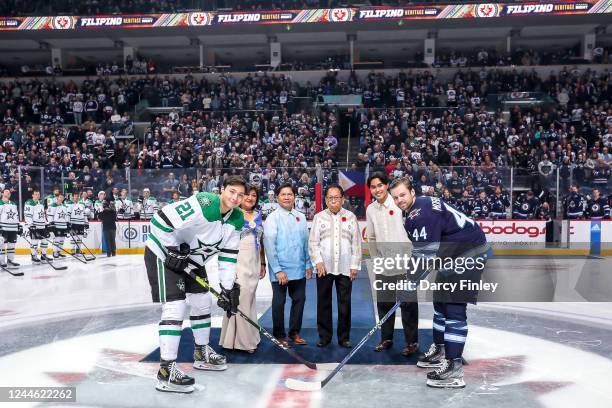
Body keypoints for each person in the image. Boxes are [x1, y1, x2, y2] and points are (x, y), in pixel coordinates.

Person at [144, 176, 246, 393]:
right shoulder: (204, 203)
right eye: (231, 192)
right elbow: (160, 220)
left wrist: (227, 288)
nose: (235, 198)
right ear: (222, 190)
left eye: (240, 194)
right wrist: (171, 249)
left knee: (202, 302)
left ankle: (201, 352)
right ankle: (166, 371)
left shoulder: (237, 218)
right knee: (175, 307)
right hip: (163, 254)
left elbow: (228, 256)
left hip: (190, 259)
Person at [389, 177, 488, 389]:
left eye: (402, 195)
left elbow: (425, 257)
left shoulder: (421, 214)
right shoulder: (419, 206)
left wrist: (408, 286)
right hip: (452, 253)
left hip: (468, 251)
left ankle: (454, 370)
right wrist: (409, 281)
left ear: (412, 192)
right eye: (395, 198)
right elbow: (420, 253)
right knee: (440, 301)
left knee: (453, 307)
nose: (399, 200)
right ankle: (442, 350)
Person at [365, 172, 419, 357]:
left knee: (408, 305)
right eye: (373, 187)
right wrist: (376, 259)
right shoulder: (371, 209)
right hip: (384, 265)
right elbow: (371, 237)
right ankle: (386, 339)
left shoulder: (399, 204)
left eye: (380, 185)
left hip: (405, 264)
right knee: (384, 303)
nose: (377, 189)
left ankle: (412, 342)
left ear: (386, 185)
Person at [308, 184, 361, 348]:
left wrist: (354, 265)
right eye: (330, 198)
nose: (333, 201)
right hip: (324, 267)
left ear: (342, 199)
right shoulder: (319, 217)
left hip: (345, 267)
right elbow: (313, 242)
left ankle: (344, 337)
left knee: (344, 304)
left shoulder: (351, 217)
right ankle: (324, 337)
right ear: (325, 200)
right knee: (323, 303)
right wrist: (318, 261)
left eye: (336, 197)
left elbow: (357, 244)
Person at [263, 182, 312, 347]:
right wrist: (277, 270)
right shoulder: (272, 218)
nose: (286, 197)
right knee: (279, 303)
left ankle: (294, 332)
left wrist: (308, 264)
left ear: (294, 196)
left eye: (289, 194)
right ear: (277, 197)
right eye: (283, 194)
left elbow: (306, 243)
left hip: (298, 268)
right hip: (280, 270)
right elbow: (269, 245)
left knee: (300, 300)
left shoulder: (301, 216)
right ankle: (279, 335)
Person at [219, 185, 266, 353]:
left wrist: (262, 263)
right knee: (240, 299)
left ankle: (249, 335)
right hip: (238, 262)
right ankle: (243, 342)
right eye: (247, 195)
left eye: (254, 195)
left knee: (249, 299)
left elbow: (261, 242)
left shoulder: (259, 216)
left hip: (253, 263)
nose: (250, 198)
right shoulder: (233, 215)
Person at [24, 189, 51, 263]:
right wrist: (31, 225)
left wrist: (46, 223)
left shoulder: (41, 202)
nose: (37, 195)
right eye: (35, 194)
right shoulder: (29, 202)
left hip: (42, 225)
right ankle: (34, 256)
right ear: (32, 195)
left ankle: (43, 256)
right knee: (34, 242)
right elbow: (27, 215)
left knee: (45, 241)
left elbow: (42, 214)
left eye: (38, 194)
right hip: (34, 225)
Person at [0, 189, 21, 268]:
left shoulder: (13, 204)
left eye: (9, 192)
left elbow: (16, 216)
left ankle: (10, 260)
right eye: (6, 191)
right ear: (2, 193)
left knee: (11, 245)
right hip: (3, 228)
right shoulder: (0, 203)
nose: (8, 193)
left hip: (13, 228)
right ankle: (2, 261)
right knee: (2, 245)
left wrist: (18, 225)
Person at [47, 192, 70, 258]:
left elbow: (66, 216)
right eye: (60, 197)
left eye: (62, 197)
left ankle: (59, 251)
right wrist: (51, 223)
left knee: (62, 239)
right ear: (57, 198)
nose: (61, 198)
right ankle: (55, 252)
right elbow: (50, 215)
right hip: (56, 225)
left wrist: (67, 223)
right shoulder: (53, 205)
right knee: (57, 239)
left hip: (63, 225)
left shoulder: (64, 206)